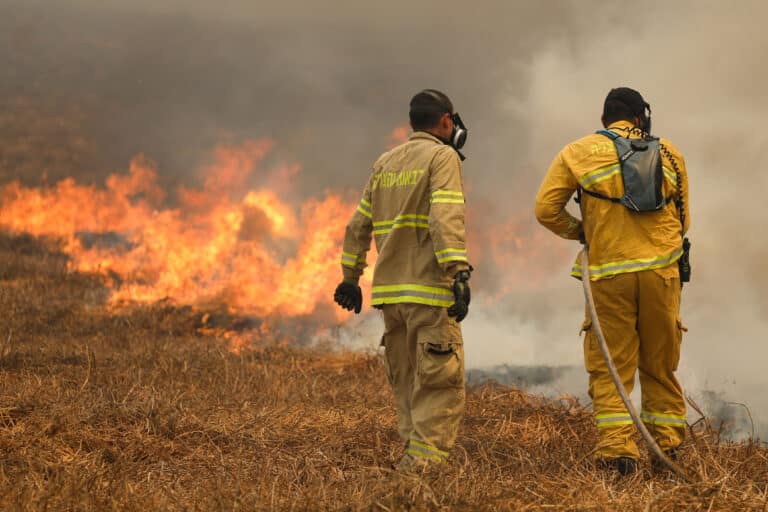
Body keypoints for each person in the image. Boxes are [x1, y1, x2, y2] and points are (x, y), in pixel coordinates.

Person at [534, 87, 690, 476]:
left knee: (612, 366)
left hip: (609, 276)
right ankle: (666, 449)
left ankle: (618, 452)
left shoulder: (577, 152)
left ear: (606, 119)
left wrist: (584, 232)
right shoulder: (669, 151)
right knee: (659, 363)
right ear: (641, 118)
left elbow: (545, 209)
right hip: (661, 273)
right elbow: (683, 220)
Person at [333, 89, 472, 472]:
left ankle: (413, 457)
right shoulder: (442, 157)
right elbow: (445, 216)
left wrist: (350, 278)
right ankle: (422, 472)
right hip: (428, 293)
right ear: (447, 121)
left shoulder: (385, 162)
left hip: (391, 297)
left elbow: (357, 225)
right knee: (438, 383)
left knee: (409, 380)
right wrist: (458, 271)